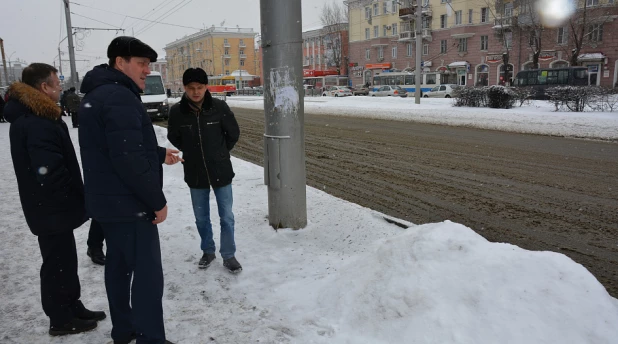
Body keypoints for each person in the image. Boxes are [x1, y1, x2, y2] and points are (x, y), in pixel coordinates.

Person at [78, 36, 180, 344]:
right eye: (141, 63)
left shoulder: (100, 94)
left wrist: (158, 153)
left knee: (118, 269)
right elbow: (128, 159)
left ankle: (124, 330)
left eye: (149, 64)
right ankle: (150, 338)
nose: (146, 70)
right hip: (129, 205)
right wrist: (156, 201)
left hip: (109, 205)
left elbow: (117, 147)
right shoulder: (119, 97)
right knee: (148, 277)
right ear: (119, 63)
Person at [3, 63, 106, 336]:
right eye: (56, 84)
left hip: (51, 207)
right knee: (56, 264)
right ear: (43, 87)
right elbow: (48, 171)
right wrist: (69, 197)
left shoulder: (38, 117)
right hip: (49, 207)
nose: (60, 88)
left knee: (64, 260)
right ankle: (60, 319)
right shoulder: (36, 122)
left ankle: (72, 305)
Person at [167, 67, 242, 273]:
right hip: (194, 171)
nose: (196, 92)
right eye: (191, 88)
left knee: (226, 216)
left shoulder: (219, 107)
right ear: (184, 88)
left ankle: (229, 255)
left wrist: (219, 152)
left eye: (200, 87)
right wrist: (191, 151)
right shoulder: (177, 112)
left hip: (221, 170)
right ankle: (208, 250)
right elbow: (174, 137)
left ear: (206, 87)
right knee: (201, 217)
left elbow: (233, 133)